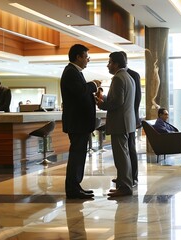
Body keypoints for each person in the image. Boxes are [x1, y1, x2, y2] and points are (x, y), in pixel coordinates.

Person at [61, 44, 101, 199]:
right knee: (76, 156)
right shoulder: (71, 72)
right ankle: (72, 189)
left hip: (80, 123)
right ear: (78, 57)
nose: (87, 61)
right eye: (86, 57)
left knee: (79, 156)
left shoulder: (75, 72)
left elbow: (81, 93)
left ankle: (76, 186)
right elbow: (80, 92)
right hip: (77, 123)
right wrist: (93, 85)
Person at [97, 51, 136, 197]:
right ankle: (123, 182)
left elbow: (117, 102)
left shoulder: (118, 78)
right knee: (123, 154)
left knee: (121, 156)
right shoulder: (128, 77)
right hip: (126, 122)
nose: (108, 65)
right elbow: (120, 98)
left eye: (109, 62)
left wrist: (102, 104)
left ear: (116, 64)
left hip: (120, 122)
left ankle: (125, 187)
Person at [118, 51, 141, 187]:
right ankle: (123, 175)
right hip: (124, 117)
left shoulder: (133, 74)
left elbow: (137, 98)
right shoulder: (119, 75)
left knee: (131, 147)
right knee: (123, 149)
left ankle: (133, 176)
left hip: (130, 117)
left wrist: (135, 116)